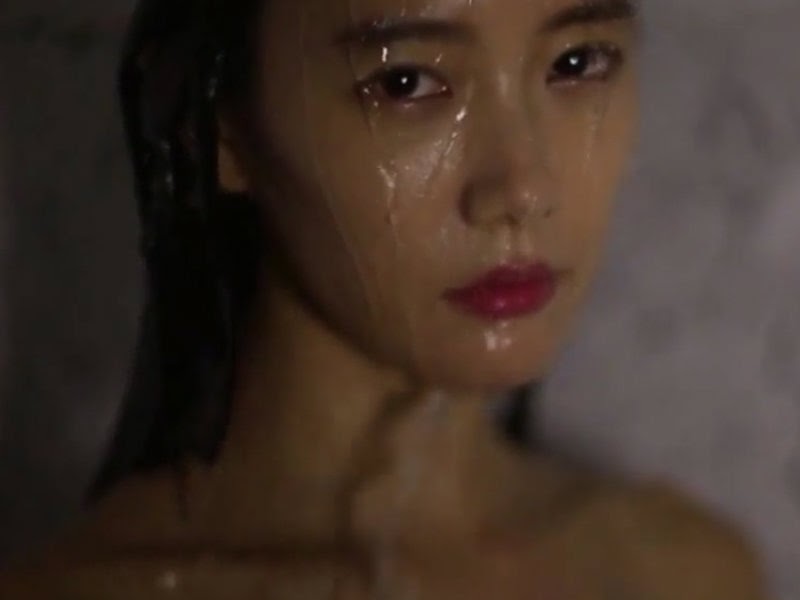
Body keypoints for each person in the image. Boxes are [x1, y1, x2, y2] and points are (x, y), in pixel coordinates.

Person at [0, 0, 770, 597]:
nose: (523, 188)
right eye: (406, 82)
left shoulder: (682, 574)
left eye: (577, 62)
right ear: (217, 120)